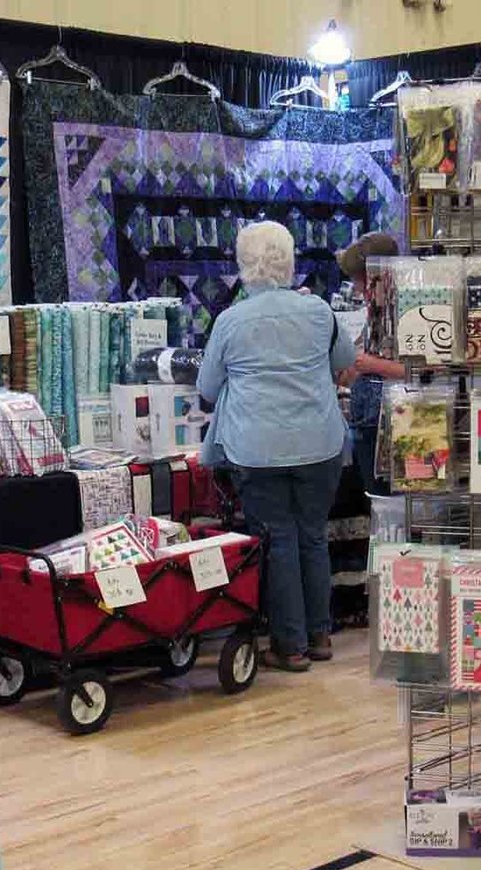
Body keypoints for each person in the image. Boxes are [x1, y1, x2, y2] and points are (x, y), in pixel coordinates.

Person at [198, 221, 355, 672]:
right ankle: (320, 634)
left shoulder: (230, 321)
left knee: (279, 540)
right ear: (290, 260)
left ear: (243, 266)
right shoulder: (320, 312)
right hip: (321, 443)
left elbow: (209, 388)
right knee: (313, 536)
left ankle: (290, 646)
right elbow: (343, 365)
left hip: (257, 448)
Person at [334, 232, 407, 495]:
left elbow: (426, 372)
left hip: (393, 423)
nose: (356, 288)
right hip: (368, 422)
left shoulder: (407, 310)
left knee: (387, 502)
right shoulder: (376, 313)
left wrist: (372, 365)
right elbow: (358, 369)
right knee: (376, 501)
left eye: (359, 280)